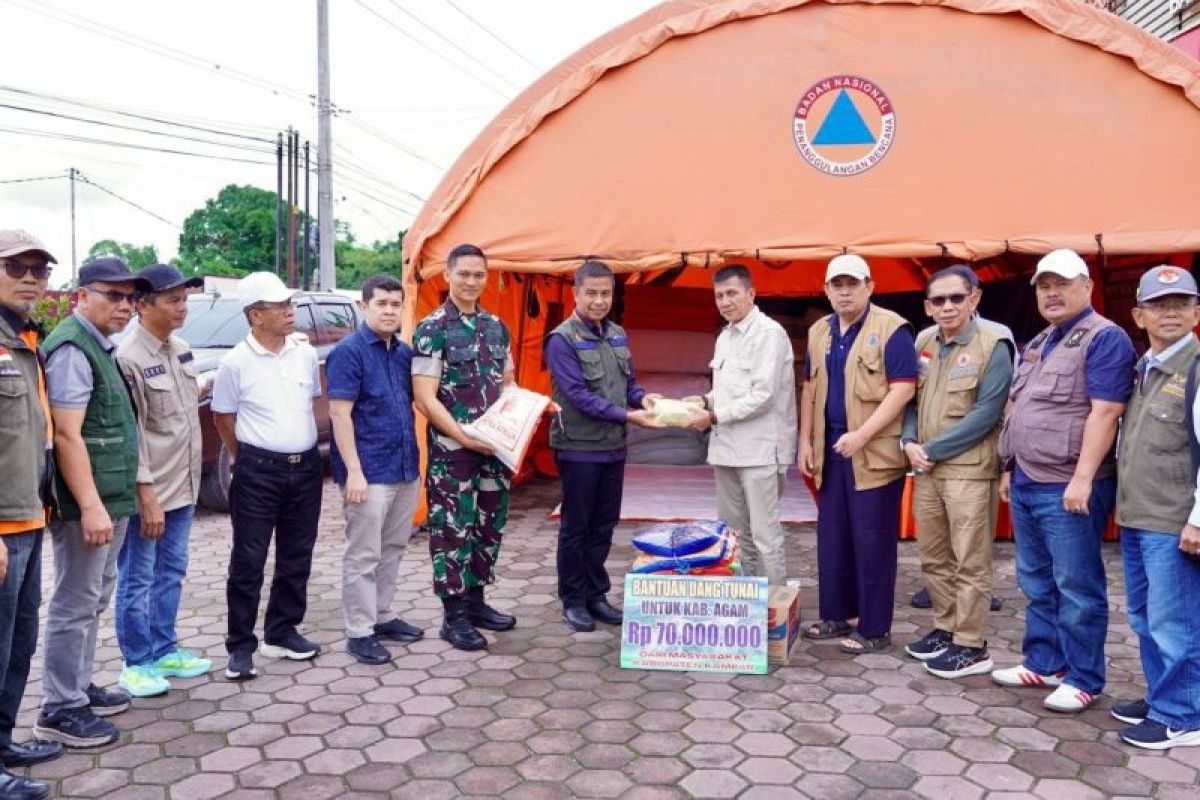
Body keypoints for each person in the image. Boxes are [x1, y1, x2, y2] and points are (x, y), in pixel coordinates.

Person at [993, 249, 1135, 713]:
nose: (1051, 293)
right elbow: (1022, 408)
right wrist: (1009, 468)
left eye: (1062, 284)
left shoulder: (1104, 338)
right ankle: (1044, 661)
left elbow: (1107, 410)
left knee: (1077, 585)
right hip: (1031, 479)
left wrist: (1083, 479)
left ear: (1087, 287)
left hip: (1068, 485)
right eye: (1043, 286)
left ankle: (1084, 677)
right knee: (1035, 580)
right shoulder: (1040, 342)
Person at [35, 258, 151, 749]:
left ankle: (78, 688)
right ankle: (60, 707)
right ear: (82, 296)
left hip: (111, 496)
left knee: (95, 596)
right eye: (113, 295)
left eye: (130, 298)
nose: (125, 306)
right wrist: (90, 506)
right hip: (90, 504)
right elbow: (66, 434)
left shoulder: (100, 346)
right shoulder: (71, 348)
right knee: (74, 601)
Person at [798, 254, 917, 654]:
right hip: (831, 452)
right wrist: (805, 442)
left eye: (853, 284)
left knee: (872, 541)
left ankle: (874, 628)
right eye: (837, 285)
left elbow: (903, 388)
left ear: (870, 286)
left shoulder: (892, 328)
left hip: (874, 454)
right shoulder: (819, 330)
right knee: (832, 538)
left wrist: (862, 435)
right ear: (826, 289)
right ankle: (836, 614)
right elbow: (810, 390)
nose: (845, 291)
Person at [900, 265, 1013, 678]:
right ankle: (945, 628)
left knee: (970, 560)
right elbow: (910, 399)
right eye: (939, 300)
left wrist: (930, 449)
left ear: (974, 299)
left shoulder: (994, 342)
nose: (947, 306)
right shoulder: (924, 340)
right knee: (933, 556)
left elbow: (987, 413)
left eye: (956, 298)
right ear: (928, 306)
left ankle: (971, 644)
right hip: (928, 467)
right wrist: (908, 442)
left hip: (968, 468)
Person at [211, 271, 324, 681]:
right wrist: (250, 457)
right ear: (256, 315)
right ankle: (240, 647)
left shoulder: (304, 353)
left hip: (306, 468)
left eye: (289, 305)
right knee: (249, 560)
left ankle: (282, 631)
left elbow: (310, 401)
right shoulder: (234, 363)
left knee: (297, 555)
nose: (290, 311)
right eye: (281, 307)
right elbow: (223, 416)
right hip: (258, 472)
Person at [1110, 265, 1200, 749]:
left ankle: (1183, 714)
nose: (1171, 313)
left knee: (1176, 620)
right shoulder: (1146, 366)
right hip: (1140, 514)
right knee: (1145, 618)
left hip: (1173, 520)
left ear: (1197, 312)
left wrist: (1198, 520)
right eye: (1159, 305)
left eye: (1181, 304)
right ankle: (1162, 694)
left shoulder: (1197, 368)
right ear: (1138, 314)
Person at [546, 260, 661, 632]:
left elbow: (628, 384)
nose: (599, 301)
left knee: (604, 525)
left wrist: (643, 400)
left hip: (613, 447)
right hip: (579, 447)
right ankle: (573, 600)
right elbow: (578, 396)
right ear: (576, 294)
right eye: (591, 293)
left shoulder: (618, 335)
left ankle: (597, 595)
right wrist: (629, 416)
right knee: (576, 527)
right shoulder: (562, 339)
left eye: (605, 294)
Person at [113, 264, 212, 698]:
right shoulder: (128, 357)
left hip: (184, 485)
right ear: (142, 304)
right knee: (138, 576)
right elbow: (130, 432)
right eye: (172, 300)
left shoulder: (181, 349)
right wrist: (144, 494)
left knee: (172, 569)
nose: (182, 308)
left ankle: (165, 647)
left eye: (184, 300)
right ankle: (136, 662)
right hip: (150, 492)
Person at [412, 244, 517, 651]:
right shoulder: (432, 328)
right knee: (453, 528)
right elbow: (425, 396)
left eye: (478, 275)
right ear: (448, 276)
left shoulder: (496, 327)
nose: (471, 282)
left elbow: (508, 384)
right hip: (452, 452)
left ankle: (476, 602)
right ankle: (453, 615)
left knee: (489, 525)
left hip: (494, 448)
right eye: (464, 274)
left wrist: (510, 425)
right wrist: (462, 435)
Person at [327, 275, 424, 665]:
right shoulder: (348, 353)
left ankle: (383, 616)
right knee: (363, 555)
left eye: (395, 304)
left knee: (394, 549)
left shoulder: (403, 353)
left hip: (404, 468)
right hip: (368, 474)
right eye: (381, 303)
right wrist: (354, 471)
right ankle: (359, 631)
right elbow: (339, 413)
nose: (389, 310)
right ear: (364, 307)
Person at [683, 264, 798, 588]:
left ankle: (773, 607)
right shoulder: (726, 336)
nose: (725, 301)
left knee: (764, 535)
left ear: (751, 294)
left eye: (732, 293)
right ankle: (742, 600)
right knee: (733, 533)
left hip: (760, 449)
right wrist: (704, 402)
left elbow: (762, 396)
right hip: (726, 449)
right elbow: (726, 391)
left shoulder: (769, 333)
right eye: (719, 295)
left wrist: (714, 416)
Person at [0, 230, 62, 799]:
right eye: (16, 267)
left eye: (39, 271)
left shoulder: (24, 337)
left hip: (29, 515)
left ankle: (3, 742)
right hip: (0, 526)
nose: (30, 279)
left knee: (18, 642)